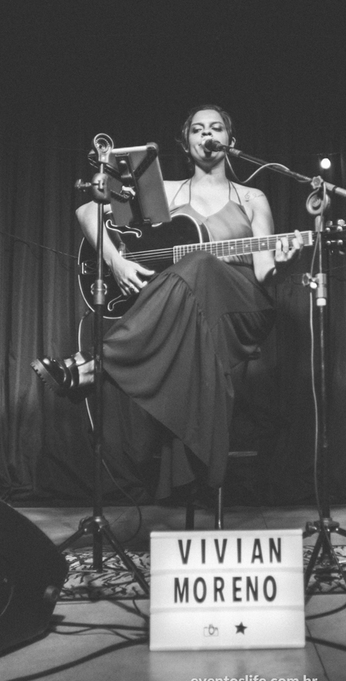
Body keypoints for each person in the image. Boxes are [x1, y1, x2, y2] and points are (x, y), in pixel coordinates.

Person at [34, 105, 302, 499]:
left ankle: (95, 364)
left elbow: (264, 273)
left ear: (230, 141)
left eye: (215, 129)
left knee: (202, 262)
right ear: (185, 142)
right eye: (197, 129)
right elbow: (88, 209)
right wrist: (117, 261)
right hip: (190, 312)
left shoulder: (251, 196)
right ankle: (104, 367)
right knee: (197, 270)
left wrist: (285, 259)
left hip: (242, 306)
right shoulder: (170, 191)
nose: (206, 135)